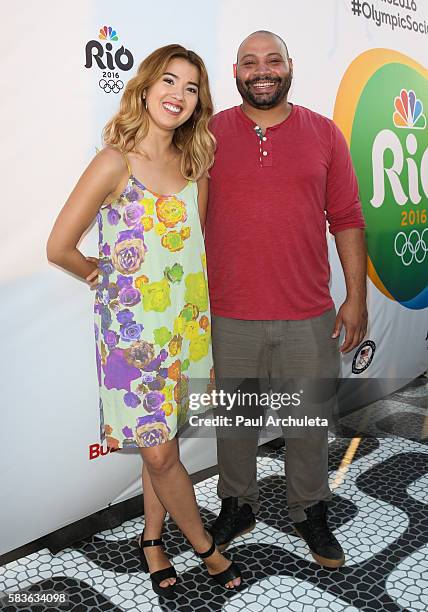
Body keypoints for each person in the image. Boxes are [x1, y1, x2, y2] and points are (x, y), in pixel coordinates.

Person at [47, 44, 241, 598]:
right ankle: (206, 546)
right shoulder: (114, 161)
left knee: (168, 446)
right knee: (158, 451)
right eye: (169, 82)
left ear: (199, 102)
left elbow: (189, 254)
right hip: (131, 342)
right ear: (146, 86)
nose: (178, 95)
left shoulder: (195, 167)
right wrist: (99, 276)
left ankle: (153, 539)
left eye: (191, 87)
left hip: (184, 331)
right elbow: (59, 246)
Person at [204, 31, 368, 569]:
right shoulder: (208, 133)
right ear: (235, 72)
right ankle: (238, 504)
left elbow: (346, 219)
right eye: (250, 62)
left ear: (290, 66)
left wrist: (355, 299)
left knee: (308, 423)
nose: (262, 70)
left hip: (308, 312)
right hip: (228, 313)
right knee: (236, 422)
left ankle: (310, 509)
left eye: (272, 60)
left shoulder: (324, 133)